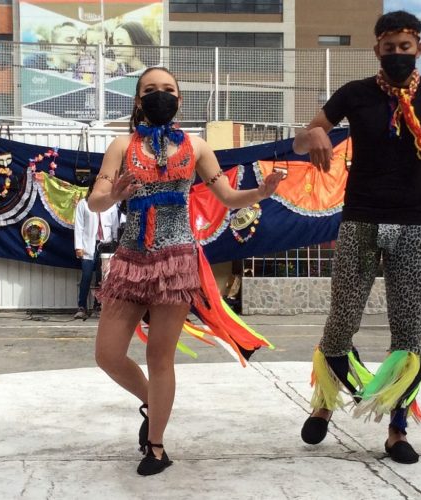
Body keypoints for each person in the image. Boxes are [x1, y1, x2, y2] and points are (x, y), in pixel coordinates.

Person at [292, 10, 421, 465]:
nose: (398, 54)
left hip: (412, 224)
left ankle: (397, 429)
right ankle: (325, 403)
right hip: (360, 220)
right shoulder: (355, 93)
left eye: (406, 47)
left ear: (419, 48)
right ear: (377, 50)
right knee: (340, 323)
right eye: (390, 48)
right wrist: (314, 133)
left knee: (408, 332)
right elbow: (301, 141)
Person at [88, 66, 284, 476]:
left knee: (160, 356)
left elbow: (227, 196)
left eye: (167, 89)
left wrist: (261, 191)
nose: (160, 95)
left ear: (179, 98)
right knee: (107, 355)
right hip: (130, 260)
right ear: (138, 100)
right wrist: (114, 195)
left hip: (177, 261)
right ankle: (152, 402)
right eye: (150, 89)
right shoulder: (121, 145)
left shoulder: (196, 147)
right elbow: (96, 201)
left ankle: (156, 447)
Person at [72, 187, 121, 320]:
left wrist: (115, 244)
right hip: (89, 245)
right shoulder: (83, 204)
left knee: (103, 277)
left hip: (106, 244)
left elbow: (115, 226)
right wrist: (78, 247)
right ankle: (81, 307)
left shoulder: (111, 204)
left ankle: (98, 305)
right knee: (87, 275)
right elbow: (79, 226)